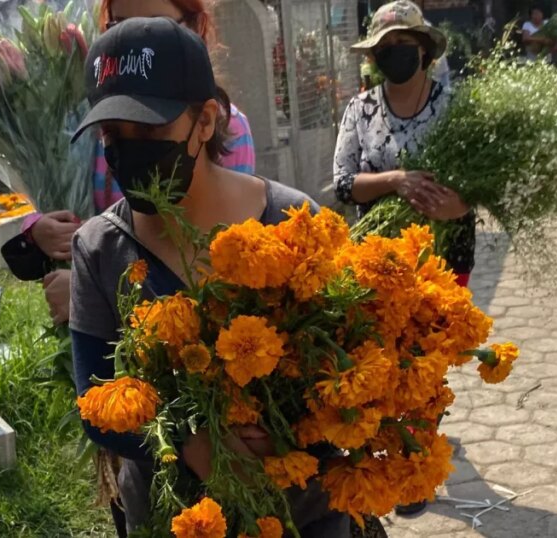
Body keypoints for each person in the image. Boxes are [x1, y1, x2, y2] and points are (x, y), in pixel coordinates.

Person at [67, 17, 351, 537]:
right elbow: (95, 400)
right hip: (167, 519)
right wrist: (199, 445)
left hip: (303, 516)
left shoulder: (296, 226)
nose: (130, 150)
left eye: (151, 130)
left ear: (206, 120)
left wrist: (292, 428)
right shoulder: (98, 249)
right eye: (114, 134)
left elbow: (350, 361)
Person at [2, 0, 257, 325]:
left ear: (194, 27)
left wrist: (91, 292)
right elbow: (75, 209)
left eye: (155, 23)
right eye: (120, 24)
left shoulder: (227, 128)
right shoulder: (98, 127)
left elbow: (218, 256)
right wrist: (38, 230)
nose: (138, 38)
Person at [334, 0, 474, 514]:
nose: (394, 56)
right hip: (380, 258)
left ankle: (416, 469)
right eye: (385, 49)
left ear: (425, 53)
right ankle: (389, 453)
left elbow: (482, 181)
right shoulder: (361, 109)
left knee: (427, 357)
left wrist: (462, 201)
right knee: (386, 355)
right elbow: (344, 183)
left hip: (446, 251)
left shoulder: (454, 104)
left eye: (404, 48)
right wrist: (395, 179)